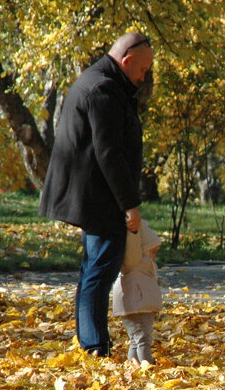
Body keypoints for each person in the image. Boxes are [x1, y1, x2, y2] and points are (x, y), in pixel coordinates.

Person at [39, 32, 154, 356]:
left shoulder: (101, 81)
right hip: (100, 198)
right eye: (142, 70)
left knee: (94, 271)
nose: (143, 77)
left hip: (93, 195)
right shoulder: (103, 88)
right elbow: (109, 153)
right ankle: (94, 346)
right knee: (100, 272)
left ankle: (91, 343)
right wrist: (130, 205)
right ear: (127, 61)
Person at [111, 217, 162, 364]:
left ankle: (133, 364)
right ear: (143, 250)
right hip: (137, 306)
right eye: (153, 251)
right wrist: (134, 232)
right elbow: (132, 247)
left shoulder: (142, 265)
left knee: (136, 338)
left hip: (140, 305)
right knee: (142, 339)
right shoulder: (135, 261)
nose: (155, 256)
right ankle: (147, 363)